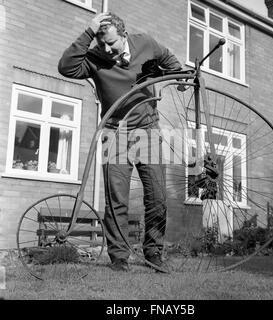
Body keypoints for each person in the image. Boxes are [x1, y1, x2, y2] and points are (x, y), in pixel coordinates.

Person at [58, 12, 182, 271]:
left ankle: (153, 253)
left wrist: (175, 74)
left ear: (124, 35)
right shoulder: (94, 58)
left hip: (148, 130)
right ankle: (119, 258)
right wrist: (89, 32)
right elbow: (66, 67)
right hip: (114, 132)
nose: (106, 48)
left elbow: (170, 61)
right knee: (117, 199)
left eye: (111, 43)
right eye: (101, 42)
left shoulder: (145, 43)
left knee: (158, 197)